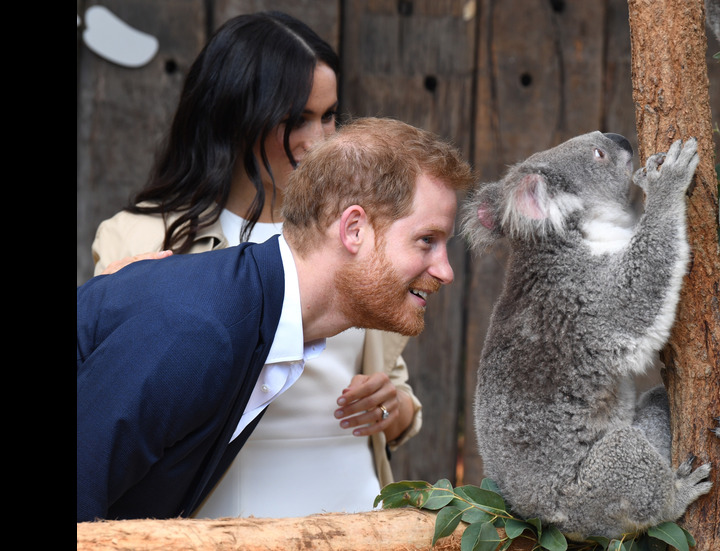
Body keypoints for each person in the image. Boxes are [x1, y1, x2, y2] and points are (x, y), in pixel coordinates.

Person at [88, 11, 419, 517]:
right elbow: (115, 410)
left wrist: (394, 409)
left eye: (330, 116)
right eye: (296, 120)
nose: (320, 140)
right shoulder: (139, 237)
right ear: (236, 115)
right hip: (223, 518)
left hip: (357, 511)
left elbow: (394, 387)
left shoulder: (359, 232)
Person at [77, 116, 477, 522]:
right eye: (427, 240)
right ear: (354, 229)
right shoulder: (202, 329)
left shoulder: (262, 318)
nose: (446, 271)